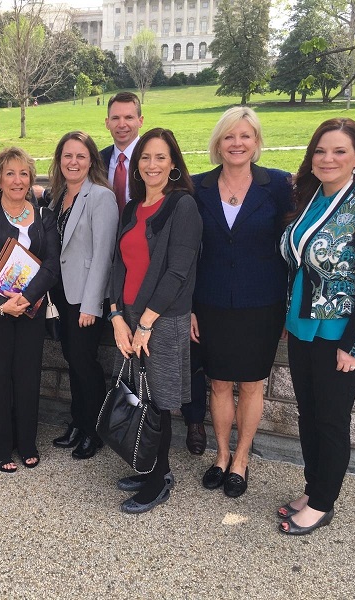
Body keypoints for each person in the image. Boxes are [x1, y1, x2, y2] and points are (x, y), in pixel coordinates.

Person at [278, 118, 355, 535]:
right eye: (320, 151)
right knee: (309, 415)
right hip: (300, 327)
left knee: (330, 419)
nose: (327, 159)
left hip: (339, 335)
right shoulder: (309, 199)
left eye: (339, 151)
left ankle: (324, 503)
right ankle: (314, 489)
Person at [192, 107, 293, 498]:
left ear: (256, 142)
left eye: (245, 136)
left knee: (251, 385)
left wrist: (288, 306)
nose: (237, 143)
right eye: (229, 136)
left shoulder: (280, 186)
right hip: (212, 302)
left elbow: (294, 248)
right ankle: (220, 455)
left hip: (262, 303)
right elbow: (188, 253)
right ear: (218, 143)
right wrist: (189, 310)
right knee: (218, 383)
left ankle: (242, 459)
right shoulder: (198, 188)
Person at [108, 128, 202, 513]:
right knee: (137, 395)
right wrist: (116, 316)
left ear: (174, 164)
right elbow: (118, 264)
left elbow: (178, 271)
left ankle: (159, 479)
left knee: (158, 401)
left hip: (160, 320)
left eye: (161, 157)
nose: (152, 165)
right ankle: (147, 466)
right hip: (128, 317)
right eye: (146, 157)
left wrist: (145, 323)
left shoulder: (182, 207)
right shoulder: (131, 208)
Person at [0, 147, 60, 473]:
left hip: (30, 311)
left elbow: (51, 265)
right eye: (10, 173)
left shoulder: (45, 217)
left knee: (26, 376)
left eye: (23, 173)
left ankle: (27, 442)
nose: (17, 180)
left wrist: (28, 297)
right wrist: (2, 302)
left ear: (30, 179)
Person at [46, 132, 118, 460]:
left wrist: (91, 305)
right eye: (67, 156)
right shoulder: (56, 196)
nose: (73, 162)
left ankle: (94, 431)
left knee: (86, 365)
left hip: (84, 300)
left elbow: (104, 254)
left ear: (91, 161)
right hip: (61, 295)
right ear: (59, 161)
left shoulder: (101, 197)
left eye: (80, 156)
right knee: (73, 362)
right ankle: (78, 422)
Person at [99, 92, 144, 215]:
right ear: (107, 123)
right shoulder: (98, 161)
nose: (122, 124)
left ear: (140, 121)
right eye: (115, 118)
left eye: (129, 117)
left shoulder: (153, 160)